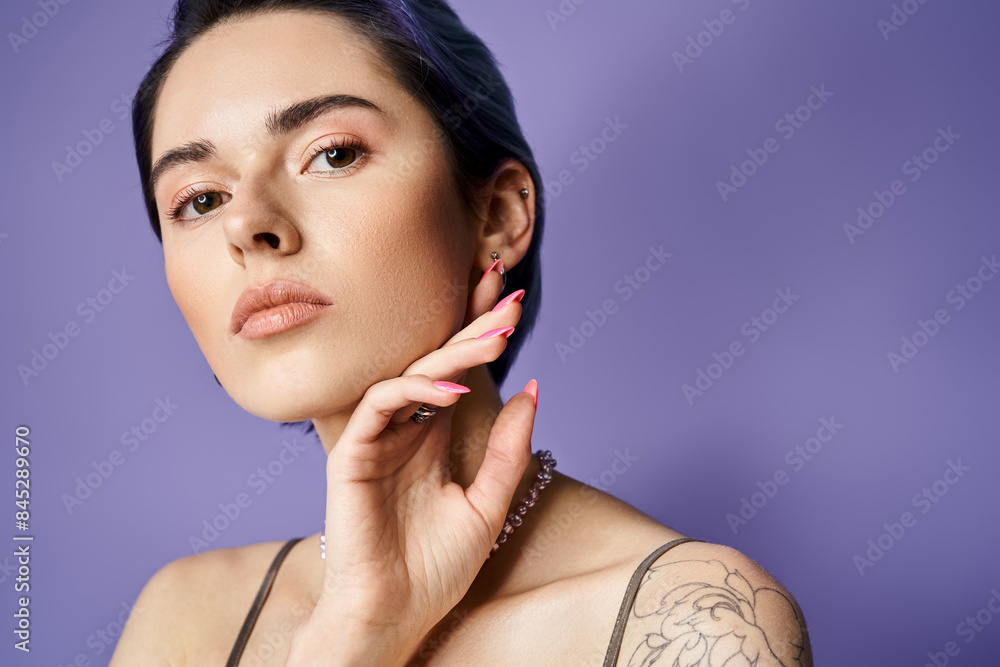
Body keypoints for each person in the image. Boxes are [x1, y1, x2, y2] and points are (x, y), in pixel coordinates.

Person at [111, 1, 813, 665]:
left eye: (331, 154)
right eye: (200, 199)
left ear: (497, 216)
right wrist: (355, 636)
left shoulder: (696, 617)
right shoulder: (186, 618)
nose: (246, 226)